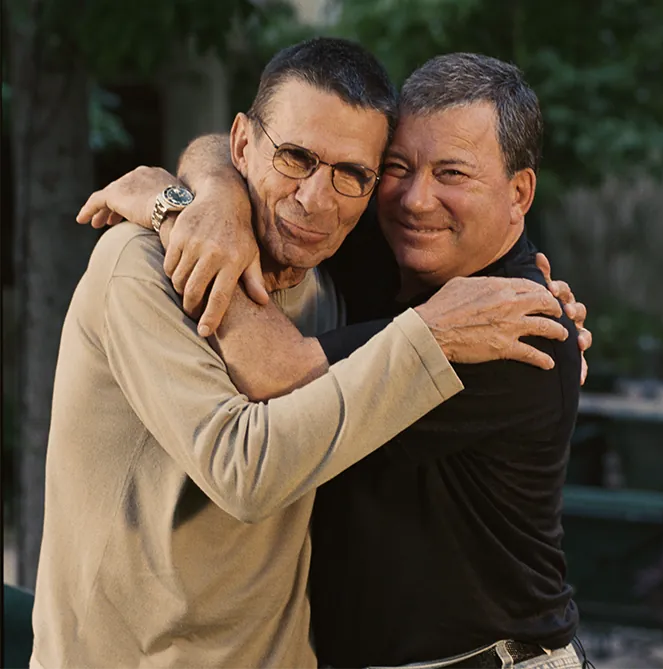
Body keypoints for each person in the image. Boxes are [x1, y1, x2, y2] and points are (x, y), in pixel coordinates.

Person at [31, 39, 574, 669]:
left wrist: (175, 209)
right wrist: (194, 199)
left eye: (452, 173)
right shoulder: (151, 267)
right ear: (244, 147)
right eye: (294, 159)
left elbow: (277, 376)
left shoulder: (510, 327)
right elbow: (251, 459)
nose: (318, 199)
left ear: (519, 194)